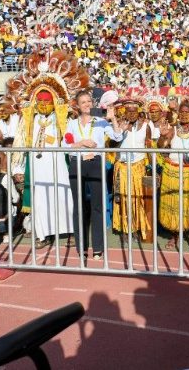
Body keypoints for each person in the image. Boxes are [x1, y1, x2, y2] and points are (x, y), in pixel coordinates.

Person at [11, 59, 76, 249]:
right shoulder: (29, 120)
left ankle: (71, 232)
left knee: (63, 196)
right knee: (40, 201)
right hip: (38, 167)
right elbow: (21, 144)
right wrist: (19, 167)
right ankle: (43, 234)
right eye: (40, 101)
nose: (43, 105)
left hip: (58, 166)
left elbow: (69, 140)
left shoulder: (62, 119)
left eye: (47, 101)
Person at [65, 90, 124, 259]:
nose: (87, 105)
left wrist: (112, 118)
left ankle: (98, 247)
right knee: (79, 207)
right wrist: (81, 143)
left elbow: (117, 136)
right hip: (77, 164)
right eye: (83, 102)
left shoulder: (100, 121)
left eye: (89, 101)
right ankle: (81, 248)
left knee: (97, 206)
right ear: (77, 105)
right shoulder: (72, 124)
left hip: (96, 164)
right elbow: (65, 144)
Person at [157, 99, 189, 252]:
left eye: (187, 112)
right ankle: (174, 235)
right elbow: (160, 147)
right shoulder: (172, 129)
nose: (184, 115)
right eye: (182, 112)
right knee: (174, 204)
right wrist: (163, 136)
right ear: (178, 114)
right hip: (174, 172)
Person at [112, 93, 153, 242]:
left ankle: (135, 228)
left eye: (134, 111)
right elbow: (112, 147)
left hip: (139, 167)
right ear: (124, 111)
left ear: (138, 111)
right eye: (128, 111)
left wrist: (150, 167)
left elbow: (149, 148)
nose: (131, 113)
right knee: (122, 199)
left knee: (138, 199)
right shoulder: (118, 126)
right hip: (122, 168)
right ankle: (124, 229)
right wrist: (119, 132)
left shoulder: (146, 126)